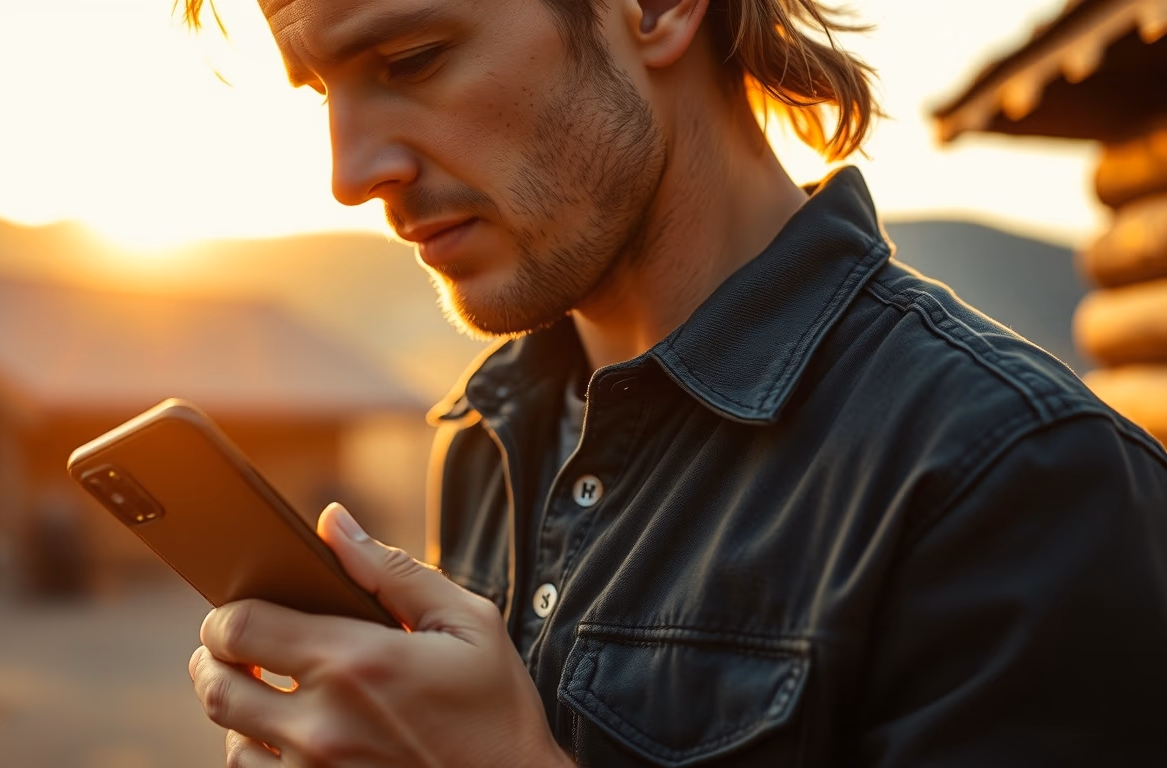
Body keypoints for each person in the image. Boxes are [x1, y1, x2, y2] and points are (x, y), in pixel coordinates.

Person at [180, 0, 1167, 765]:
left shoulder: (1015, 476)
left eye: (411, 60)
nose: (350, 174)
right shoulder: (487, 433)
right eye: (323, 92)